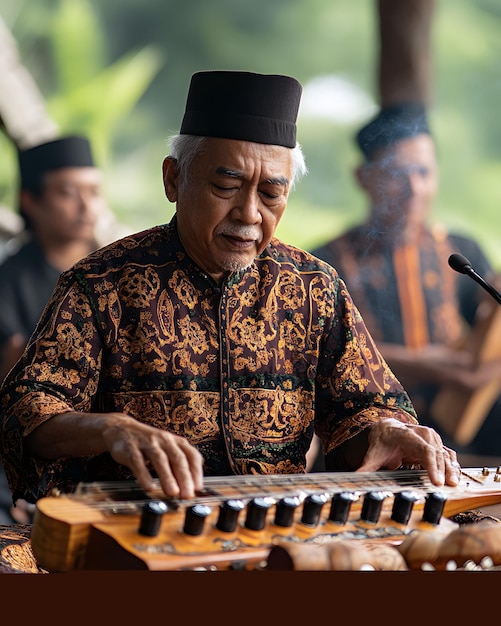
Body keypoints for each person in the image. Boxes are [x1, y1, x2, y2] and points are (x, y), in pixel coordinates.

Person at [0, 71, 460, 521]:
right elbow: (25, 406)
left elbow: (364, 407)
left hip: (274, 531)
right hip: (135, 527)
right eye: (226, 186)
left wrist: (388, 431)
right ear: (173, 180)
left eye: (271, 193)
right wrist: (110, 429)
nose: (249, 213)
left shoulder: (314, 286)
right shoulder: (101, 283)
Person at [311, 102, 501, 459]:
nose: (414, 189)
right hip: (368, 439)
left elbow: (489, 331)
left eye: (424, 173)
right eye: (398, 175)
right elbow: (316, 357)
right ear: (364, 178)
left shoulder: (462, 250)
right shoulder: (323, 264)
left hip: (458, 438)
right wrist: (426, 365)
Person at [0, 134, 107, 523]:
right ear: (31, 201)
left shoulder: (116, 273)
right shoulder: (7, 282)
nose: (86, 206)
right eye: (68, 193)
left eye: (94, 192)